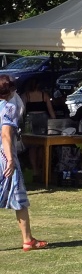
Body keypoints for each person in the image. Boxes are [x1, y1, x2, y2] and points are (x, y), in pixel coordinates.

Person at [1, 75, 46, 251]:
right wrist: (10, 159)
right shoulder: (9, 108)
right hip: (4, 157)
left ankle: (28, 239)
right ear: (11, 91)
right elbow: (5, 135)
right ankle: (27, 240)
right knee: (18, 197)